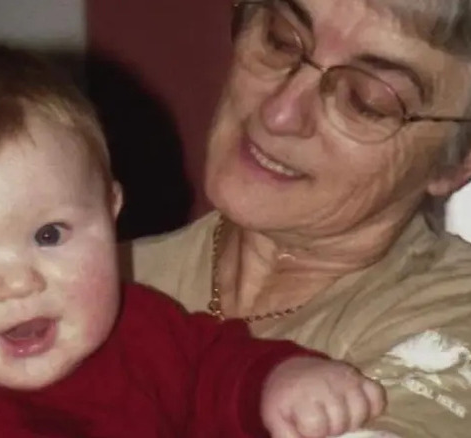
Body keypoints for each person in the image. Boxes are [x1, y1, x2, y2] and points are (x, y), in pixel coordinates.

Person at [0, 43, 385, 438]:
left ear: (111, 213)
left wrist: (280, 383)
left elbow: (220, 368)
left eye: (49, 234)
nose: (19, 283)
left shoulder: (148, 334)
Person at [123, 0, 471, 436]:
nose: (279, 114)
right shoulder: (85, 281)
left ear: (456, 163)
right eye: (280, 40)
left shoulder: (452, 331)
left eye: (366, 102)